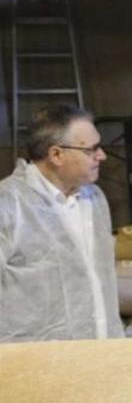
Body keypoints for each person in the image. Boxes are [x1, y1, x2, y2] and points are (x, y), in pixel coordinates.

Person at [0, 106, 123, 341]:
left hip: (100, 351)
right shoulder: (8, 204)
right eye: (92, 149)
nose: (102, 156)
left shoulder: (94, 198)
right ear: (56, 155)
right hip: (33, 356)